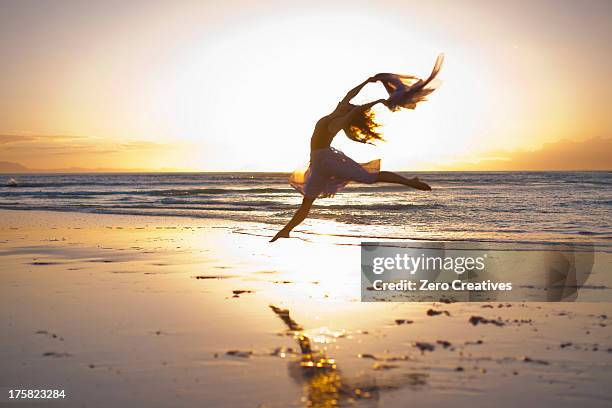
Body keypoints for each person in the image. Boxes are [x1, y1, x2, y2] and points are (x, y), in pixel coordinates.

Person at [270, 55, 443, 242]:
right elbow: (350, 95)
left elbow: (353, 111)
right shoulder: (336, 112)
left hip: (327, 160)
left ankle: (411, 182)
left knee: (370, 177)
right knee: (307, 203)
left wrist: (376, 103)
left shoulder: (335, 122)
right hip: (318, 163)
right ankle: (286, 230)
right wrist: (367, 82)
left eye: (349, 107)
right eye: (347, 105)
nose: (348, 104)